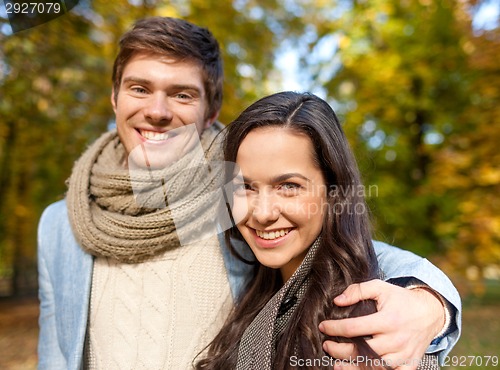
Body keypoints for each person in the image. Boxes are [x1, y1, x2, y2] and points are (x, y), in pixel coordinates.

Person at [37, 17, 460, 370]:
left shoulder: (227, 189)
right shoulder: (60, 223)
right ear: (114, 97)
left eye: (182, 94)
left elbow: (340, 246)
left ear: (211, 110)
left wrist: (432, 305)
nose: (158, 111)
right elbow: (56, 350)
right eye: (139, 88)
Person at [196, 91, 442, 369]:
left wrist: (433, 305)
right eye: (246, 187)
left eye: (289, 186)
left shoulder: (376, 328)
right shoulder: (253, 284)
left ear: (333, 192)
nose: (263, 214)